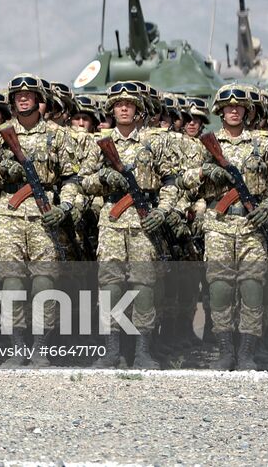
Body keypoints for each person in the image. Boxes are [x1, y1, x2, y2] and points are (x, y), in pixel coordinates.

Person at [179, 84, 268, 370]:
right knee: (220, 290)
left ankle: (247, 353)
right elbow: (184, 180)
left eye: (238, 106)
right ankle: (225, 350)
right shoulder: (205, 143)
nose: (233, 110)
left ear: (247, 110)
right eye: (228, 107)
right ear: (219, 111)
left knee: (252, 289)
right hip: (218, 225)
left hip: (252, 224)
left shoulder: (265, 144)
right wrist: (207, 170)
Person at [0, 74, 83, 367]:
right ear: (12, 102)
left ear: (40, 100)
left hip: (44, 216)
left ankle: (40, 346)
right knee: (11, 283)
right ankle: (17, 347)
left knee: (44, 283)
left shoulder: (58, 135)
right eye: (18, 96)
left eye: (29, 95)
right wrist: (5, 174)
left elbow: (71, 178)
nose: (23, 98)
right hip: (10, 216)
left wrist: (67, 206)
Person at [82, 82, 186, 369]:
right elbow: (84, 181)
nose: (124, 108)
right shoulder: (100, 143)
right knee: (111, 287)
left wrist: (163, 211)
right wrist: (104, 179)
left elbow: (171, 182)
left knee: (143, 287)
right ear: (112, 110)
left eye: (129, 104)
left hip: (144, 222)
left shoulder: (155, 141)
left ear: (139, 109)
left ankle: (142, 351)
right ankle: (112, 350)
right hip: (113, 221)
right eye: (118, 104)